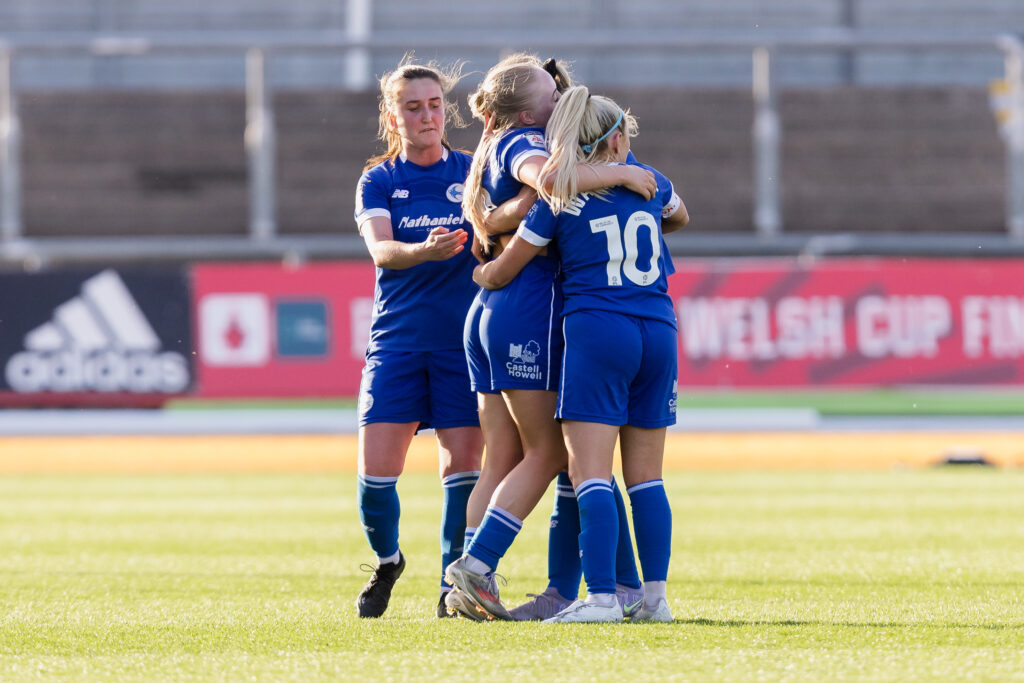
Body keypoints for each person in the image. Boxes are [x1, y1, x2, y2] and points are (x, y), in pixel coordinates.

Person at [445, 56, 657, 621]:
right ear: (522, 108)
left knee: (510, 457)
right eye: (550, 91)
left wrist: (493, 222)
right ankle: (480, 568)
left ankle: (474, 579)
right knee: (560, 454)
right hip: (535, 310)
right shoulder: (524, 141)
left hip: (495, 309)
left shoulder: (505, 143)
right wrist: (621, 173)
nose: (561, 96)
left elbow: (521, 206)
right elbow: (552, 184)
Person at [353, 58, 484, 619]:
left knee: (461, 469)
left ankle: (449, 587)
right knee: (375, 480)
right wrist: (422, 251)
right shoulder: (379, 180)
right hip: (398, 344)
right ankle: (388, 560)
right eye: (412, 107)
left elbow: (501, 234)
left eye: (434, 105)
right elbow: (381, 251)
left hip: (463, 346)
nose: (427, 115)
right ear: (392, 116)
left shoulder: (474, 169)